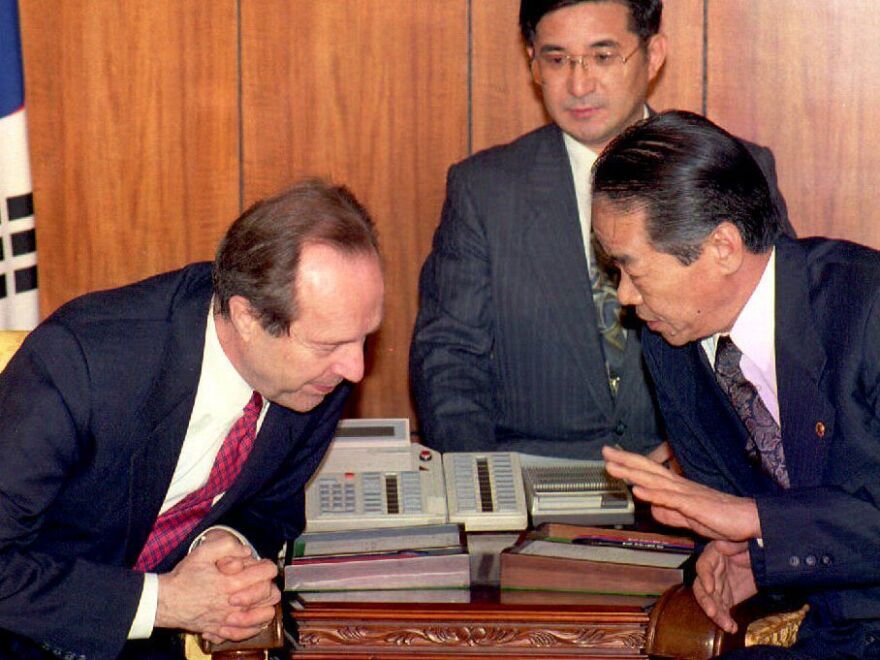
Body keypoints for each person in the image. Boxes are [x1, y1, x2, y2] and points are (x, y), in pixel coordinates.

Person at [0, 179, 384, 659]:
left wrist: (227, 549)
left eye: (364, 336)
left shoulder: (314, 378)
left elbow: (272, 507)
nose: (356, 368)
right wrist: (166, 603)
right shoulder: (80, 364)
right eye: (329, 345)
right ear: (246, 317)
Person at [410, 0, 791, 460]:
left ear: (653, 55)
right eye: (556, 59)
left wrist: (707, 454)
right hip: (534, 477)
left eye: (603, 56)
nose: (578, 83)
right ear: (532, 63)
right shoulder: (485, 189)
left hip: (691, 475)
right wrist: (480, 486)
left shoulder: (732, 169)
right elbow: (449, 359)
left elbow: (777, 338)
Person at [593, 110, 880, 658]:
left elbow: (751, 511)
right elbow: (725, 512)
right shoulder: (670, 341)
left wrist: (752, 520)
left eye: (634, 269)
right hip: (819, 633)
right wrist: (734, 554)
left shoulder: (865, 306)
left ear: (722, 248)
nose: (625, 296)